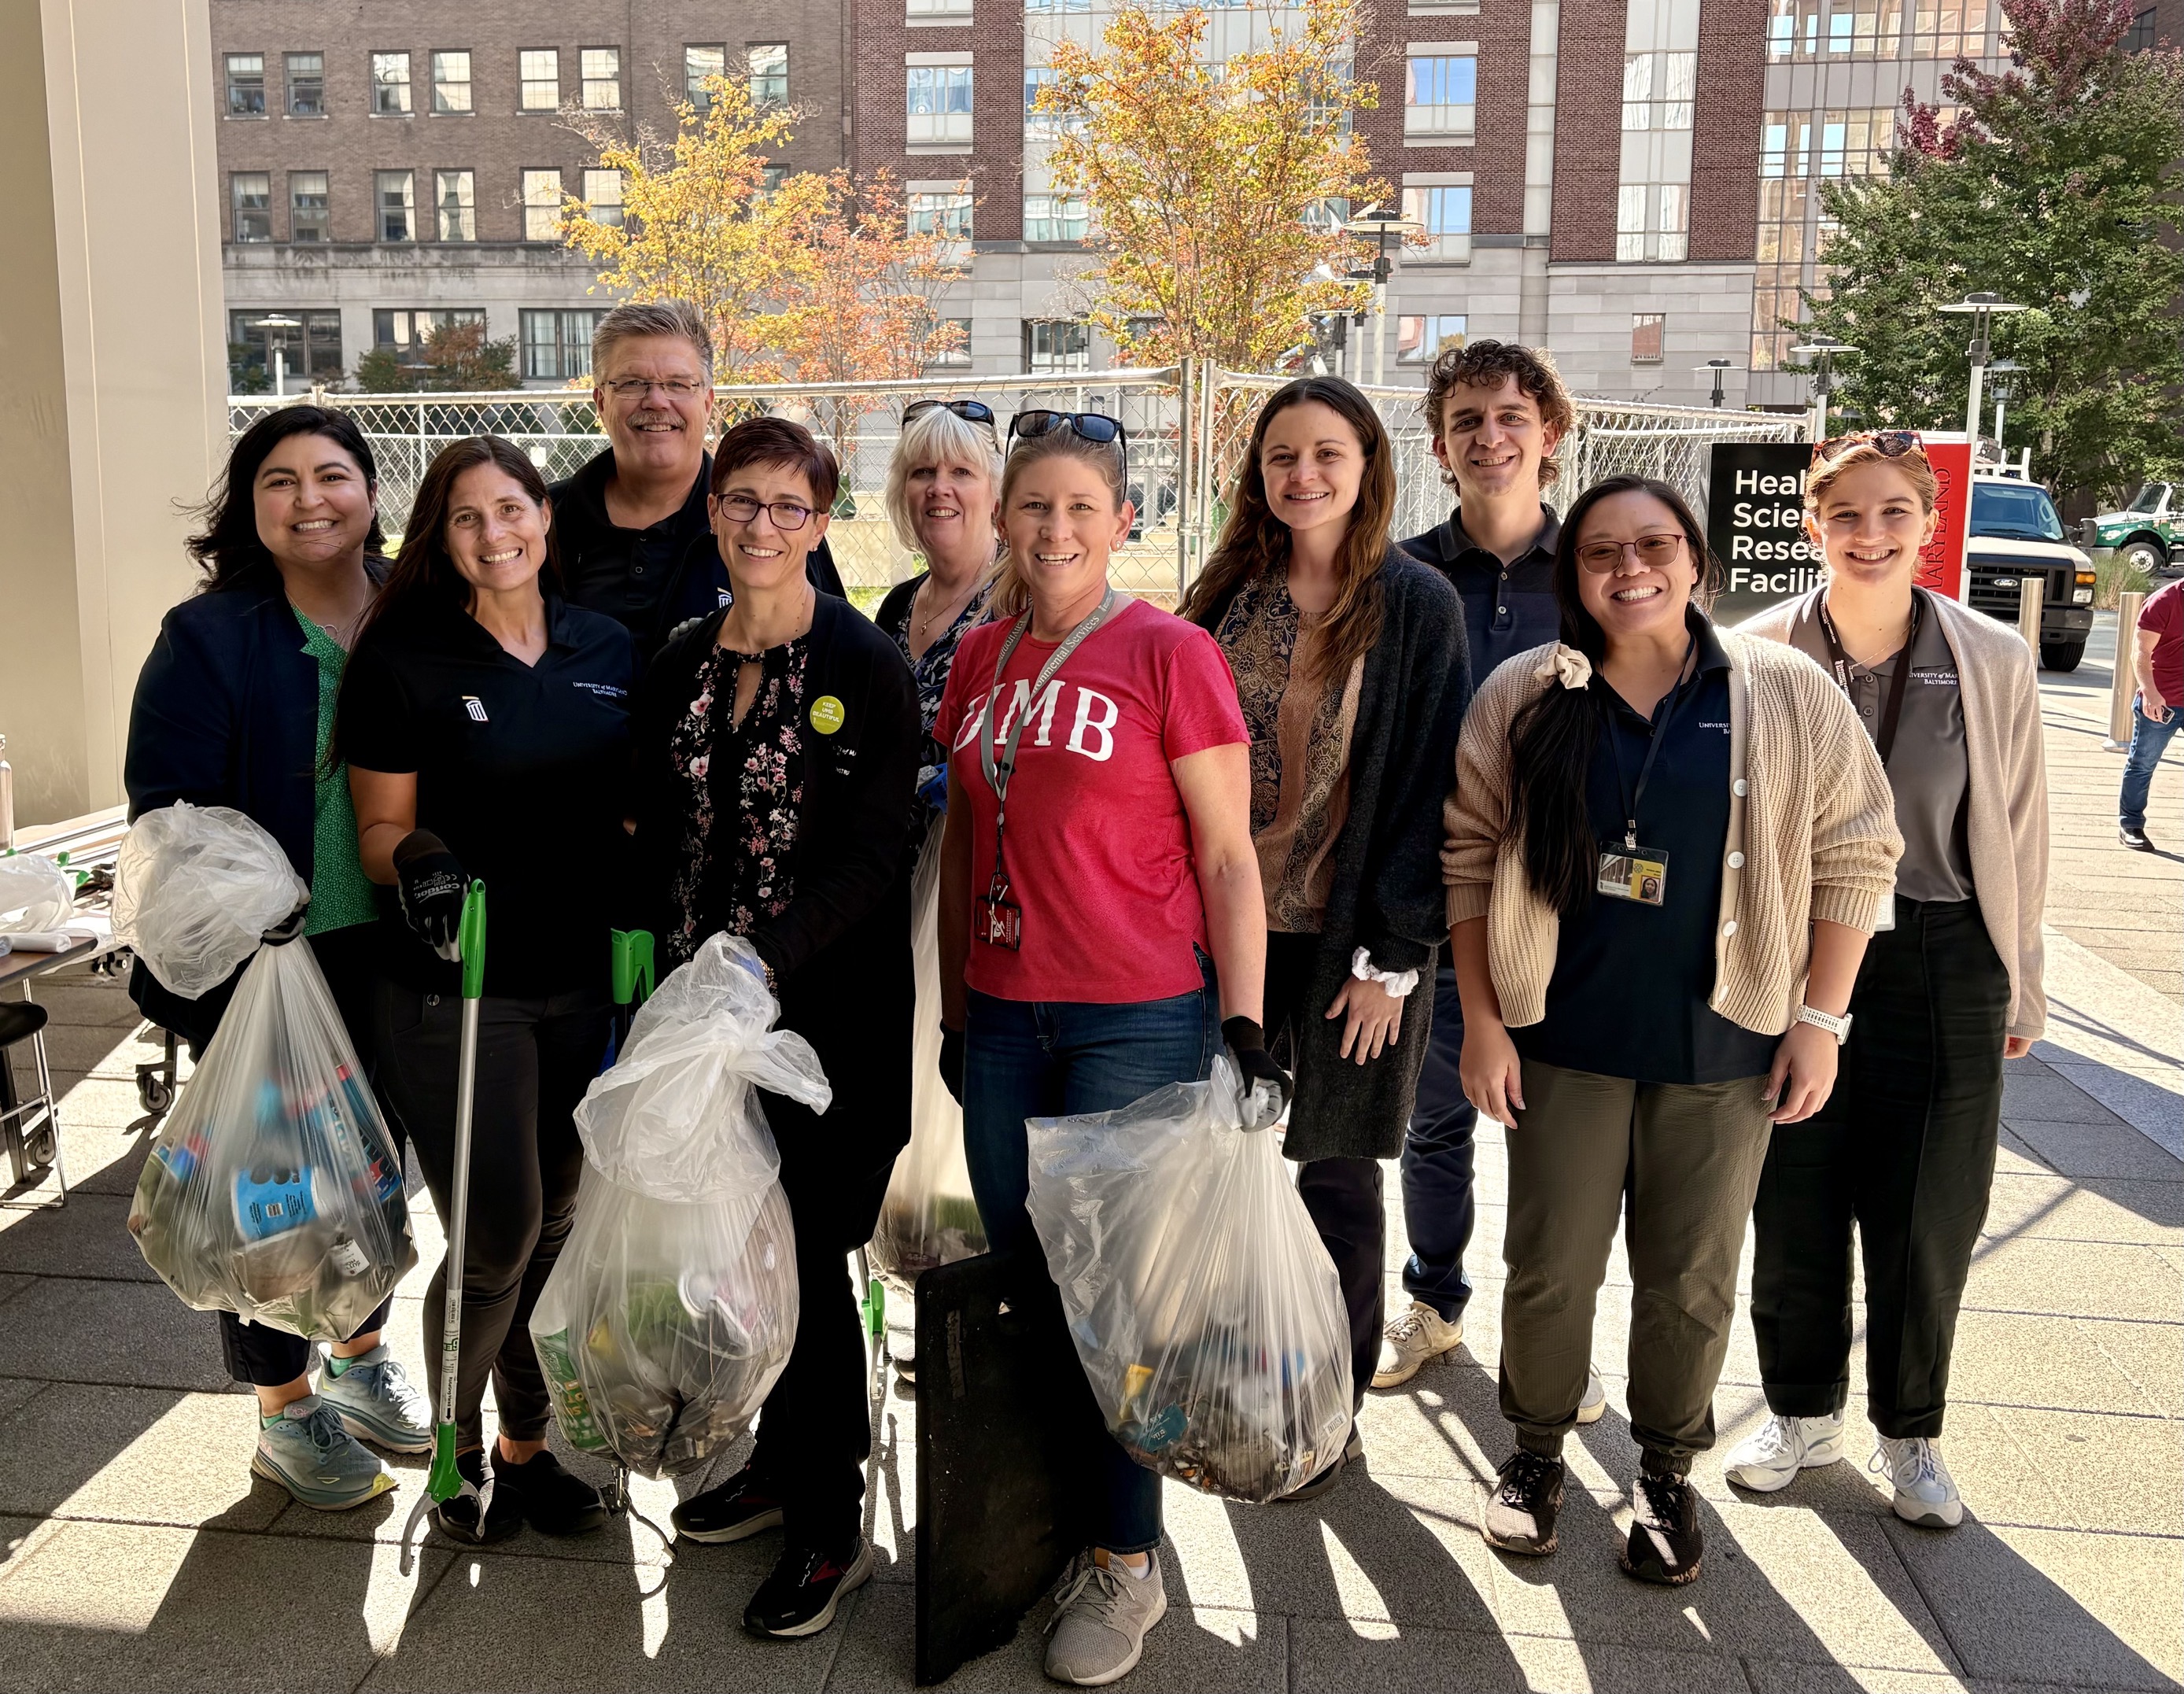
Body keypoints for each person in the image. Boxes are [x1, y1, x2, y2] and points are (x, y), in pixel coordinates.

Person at [1443, 474, 1900, 1585]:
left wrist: (1820, 1020)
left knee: (1691, 1273)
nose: (1629, 567)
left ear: (1696, 559)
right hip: (1563, 1039)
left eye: (1653, 544)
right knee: (1548, 1266)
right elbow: (1467, 855)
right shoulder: (1525, 692)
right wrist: (1484, 1024)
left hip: (1723, 1044)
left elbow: (1857, 850)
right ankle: (1538, 1454)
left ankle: (1663, 1468)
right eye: (1601, 550)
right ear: (1574, 572)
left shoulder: (1781, 689)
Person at [933, 411, 1282, 1686]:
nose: (1056, 528)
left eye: (1082, 506)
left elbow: (1230, 854)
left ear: (1123, 516)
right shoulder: (979, 659)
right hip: (1004, 1013)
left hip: (1138, 1016)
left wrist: (1242, 1024)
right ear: (1003, 518)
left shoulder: (1167, 651)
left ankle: (1126, 1558)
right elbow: (970, 843)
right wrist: (954, 1012)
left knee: (1121, 1296)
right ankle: (1044, 1512)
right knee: (1029, 1281)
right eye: (1034, 506)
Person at [633, 418, 920, 1640]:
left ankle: (827, 1523)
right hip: (707, 1029)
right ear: (714, 512)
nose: (761, 526)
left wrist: (763, 956)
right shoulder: (682, 662)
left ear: (823, 519)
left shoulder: (866, 665)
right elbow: (653, 829)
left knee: (804, 1258)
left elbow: (870, 861)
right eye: (740, 501)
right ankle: (773, 1462)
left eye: (788, 508)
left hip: (825, 1032)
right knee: (739, 1261)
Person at [1732, 434, 2049, 1528]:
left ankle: (1912, 1433)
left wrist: (2025, 979)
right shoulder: (1757, 649)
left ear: (1928, 524)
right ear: (1813, 527)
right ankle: (1800, 1410)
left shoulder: (1989, 657)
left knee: (1929, 1205)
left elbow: (2019, 827)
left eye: (1893, 515)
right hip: (1797, 949)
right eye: (1848, 517)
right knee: (1795, 1188)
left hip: (1942, 947)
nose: (1870, 536)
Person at [124, 404, 430, 1511]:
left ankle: (357, 1354)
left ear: (369, 491)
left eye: (333, 475)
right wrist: (251, 915)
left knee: (371, 1170)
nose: (311, 499)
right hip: (269, 963)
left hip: (394, 950)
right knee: (272, 1187)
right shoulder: (211, 636)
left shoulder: (417, 603)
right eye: (281, 480)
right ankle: (284, 1408)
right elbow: (171, 816)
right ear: (249, 507)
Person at [338, 435, 635, 1545]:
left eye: (512, 508)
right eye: (468, 517)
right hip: (458, 987)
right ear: (442, 536)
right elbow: (377, 830)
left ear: (546, 518)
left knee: (553, 1222)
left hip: (579, 979)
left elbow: (633, 805)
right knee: (501, 1224)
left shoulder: (607, 646)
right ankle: (453, 1455)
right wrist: (418, 861)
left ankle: (527, 1447)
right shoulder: (405, 658)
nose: (495, 533)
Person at [1179, 376, 1470, 1499]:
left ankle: (1329, 1408)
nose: (1302, 475)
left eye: (1326, 454)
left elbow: (1430, 792)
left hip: (1351, 944)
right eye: (1281, 456)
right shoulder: (1228, 594)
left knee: (1334, 1176)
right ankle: (1231, 1383)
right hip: (1220, 932)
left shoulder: (1414, 603)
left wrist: (1395, 959)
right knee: (1215, 1159)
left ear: (1367, 465)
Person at [1379, 341, 1605, 1411]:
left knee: (1567, 1135)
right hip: (1437, 898)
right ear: (1440, 445)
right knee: (1435, 1118)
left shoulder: (1598, 573)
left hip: (1569, 899)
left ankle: (1555, 1330)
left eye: (1511, 416)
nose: (1489, 436)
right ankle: (1434, 1300)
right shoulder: (1405, 574)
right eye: (1466, 419)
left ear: (1548, 435)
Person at [868, 400, 1004, 1318]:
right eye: (922, 473)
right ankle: (908, 1254)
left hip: (967, 876)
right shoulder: (895, 603)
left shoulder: (1020, 600)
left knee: (955, 1084)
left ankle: (963, 1284)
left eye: (960, 472)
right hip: (886, 871)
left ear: (996, 490)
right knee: (897, 1084)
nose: (939, 490)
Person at [548, 299, 843, 674]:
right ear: (601, 401)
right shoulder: (542, 524)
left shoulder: (775, 525)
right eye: (633, 383)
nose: (656, 401)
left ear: (707, 402)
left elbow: (832, 659)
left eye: (677, 384)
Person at [2117, 576, 2181, 851]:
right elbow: (2141, 652)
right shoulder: (2164, 601)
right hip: (2163, 701)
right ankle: (2130, 824)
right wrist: (2151, 693)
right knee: (2142, 764)